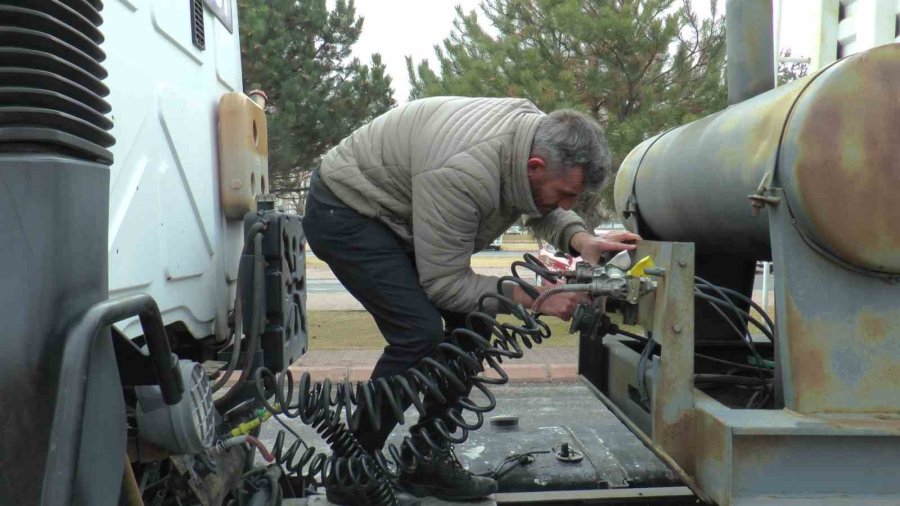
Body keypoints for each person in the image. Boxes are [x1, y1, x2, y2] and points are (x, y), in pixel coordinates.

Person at [302, 96, 640, 504]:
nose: (567, 204)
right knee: (418, 333)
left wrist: (580, 236)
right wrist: (537, 297)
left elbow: (537, 202)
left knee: (476, 318)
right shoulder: (464, 170)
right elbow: (444, 284)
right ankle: (351, 467)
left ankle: (426, 460)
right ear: (535, 166)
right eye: (566, 193)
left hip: (398, 212)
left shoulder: (533, 140)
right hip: (347, 209)